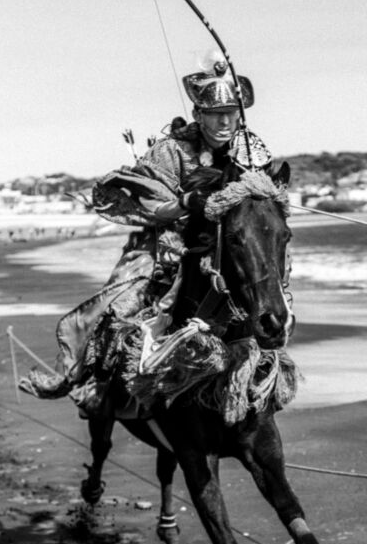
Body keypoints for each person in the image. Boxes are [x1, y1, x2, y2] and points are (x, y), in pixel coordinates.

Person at [21, 55, 271, 413]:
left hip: (226, 244)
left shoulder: (250, 151)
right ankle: (82, 378)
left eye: (231, 112)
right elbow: (148, 204)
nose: (225, 121)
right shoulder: (169, 151)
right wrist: (187, 201)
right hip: (166, 244)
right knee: (119, 306)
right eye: (215, 113)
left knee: (270, 293)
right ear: (198, 114)